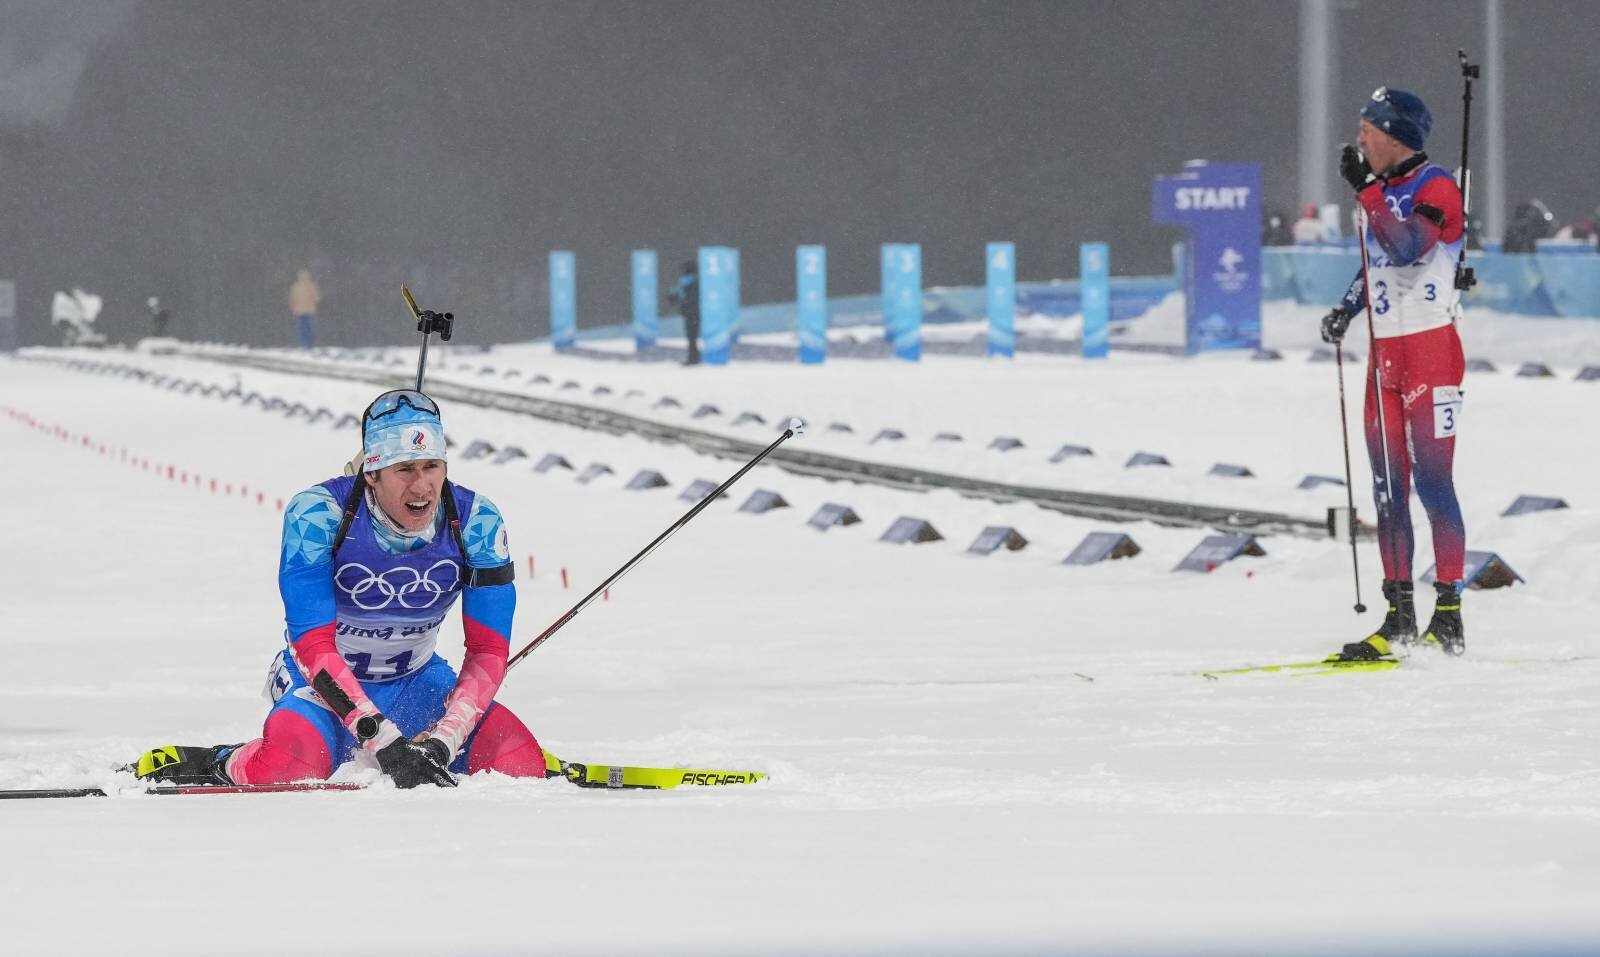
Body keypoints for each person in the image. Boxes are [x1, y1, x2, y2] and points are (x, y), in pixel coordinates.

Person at [131, 389, 547, 788]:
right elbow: (312, 642)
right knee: (291, 767)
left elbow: (488, 650)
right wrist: (383, 742)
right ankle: (224, 761)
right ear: (372, 472)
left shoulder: (477, 521)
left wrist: (445, 739)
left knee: (518, 763)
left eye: (431, 466)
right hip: (321, 683)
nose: (422, 488)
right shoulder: (318, 514)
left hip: (414, 682)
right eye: (405, 469)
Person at [1318, 87, 1468, 662]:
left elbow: (1406, 248)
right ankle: (1399, 615)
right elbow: (1376, 261)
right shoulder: (1378, 193)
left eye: (1367, 129)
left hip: (1431, 352)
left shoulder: (1436, 187)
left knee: (1432, 483)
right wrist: (1347, 307)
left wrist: (1366, 190)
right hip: (1386, 359)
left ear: (1394, 134)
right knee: (1386, 491)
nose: (1358, 139)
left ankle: (1449, 617)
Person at [666, 260, 701, 365]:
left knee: (691, 336)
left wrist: (680, 303)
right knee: (692, 337)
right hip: (693, 312)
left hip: (691, 313)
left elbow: (673, 296)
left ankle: (693, 358)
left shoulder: (686, 282)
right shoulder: (694, 281)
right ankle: (694, 357)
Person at [290, 269, 321, 348]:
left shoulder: (296, 286)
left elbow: (293, 299)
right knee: (309, 328)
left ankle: (304, 344)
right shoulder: (311, 285)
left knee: (302, 329)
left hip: (301, 311)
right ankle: (308, 344)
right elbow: (317, 298)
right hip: (309, 310)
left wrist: (294, 307)